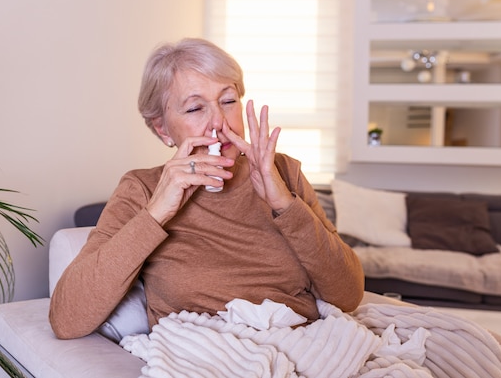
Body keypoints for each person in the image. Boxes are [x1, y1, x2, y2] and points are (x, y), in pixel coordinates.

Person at [49, 38, 364, 339]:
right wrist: (157, 212)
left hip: (303, 348)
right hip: (205, 357)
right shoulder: (142, 188)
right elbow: (66, 320)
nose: (219, 122)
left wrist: (285, 204)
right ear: (162, 128)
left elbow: (348, 295)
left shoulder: (283, 172)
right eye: (195, 109)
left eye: (228, 101)